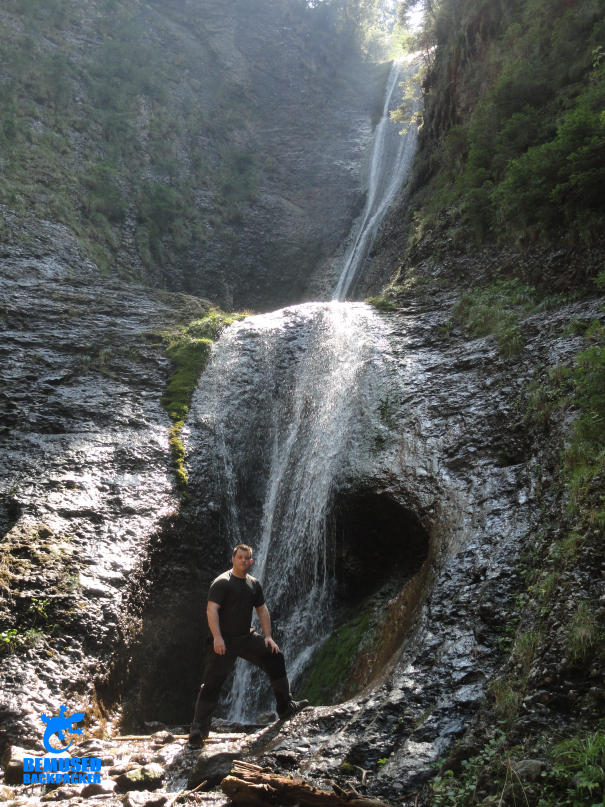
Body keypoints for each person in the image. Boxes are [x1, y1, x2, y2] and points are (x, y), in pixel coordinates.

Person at [188, 543, 309, 745]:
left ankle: (285, 706)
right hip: (223, 640)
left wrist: (268, 636)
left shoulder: (253, 584)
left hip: (245, 638)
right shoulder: (222, 583)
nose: (243, 561)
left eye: (247, 558)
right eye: (240, 557)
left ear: (251, 561)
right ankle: (198, 729)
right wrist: (217, 637)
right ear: (233, 559)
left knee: (275, 656)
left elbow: (262, 610)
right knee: (212, 683)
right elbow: (212, 610)